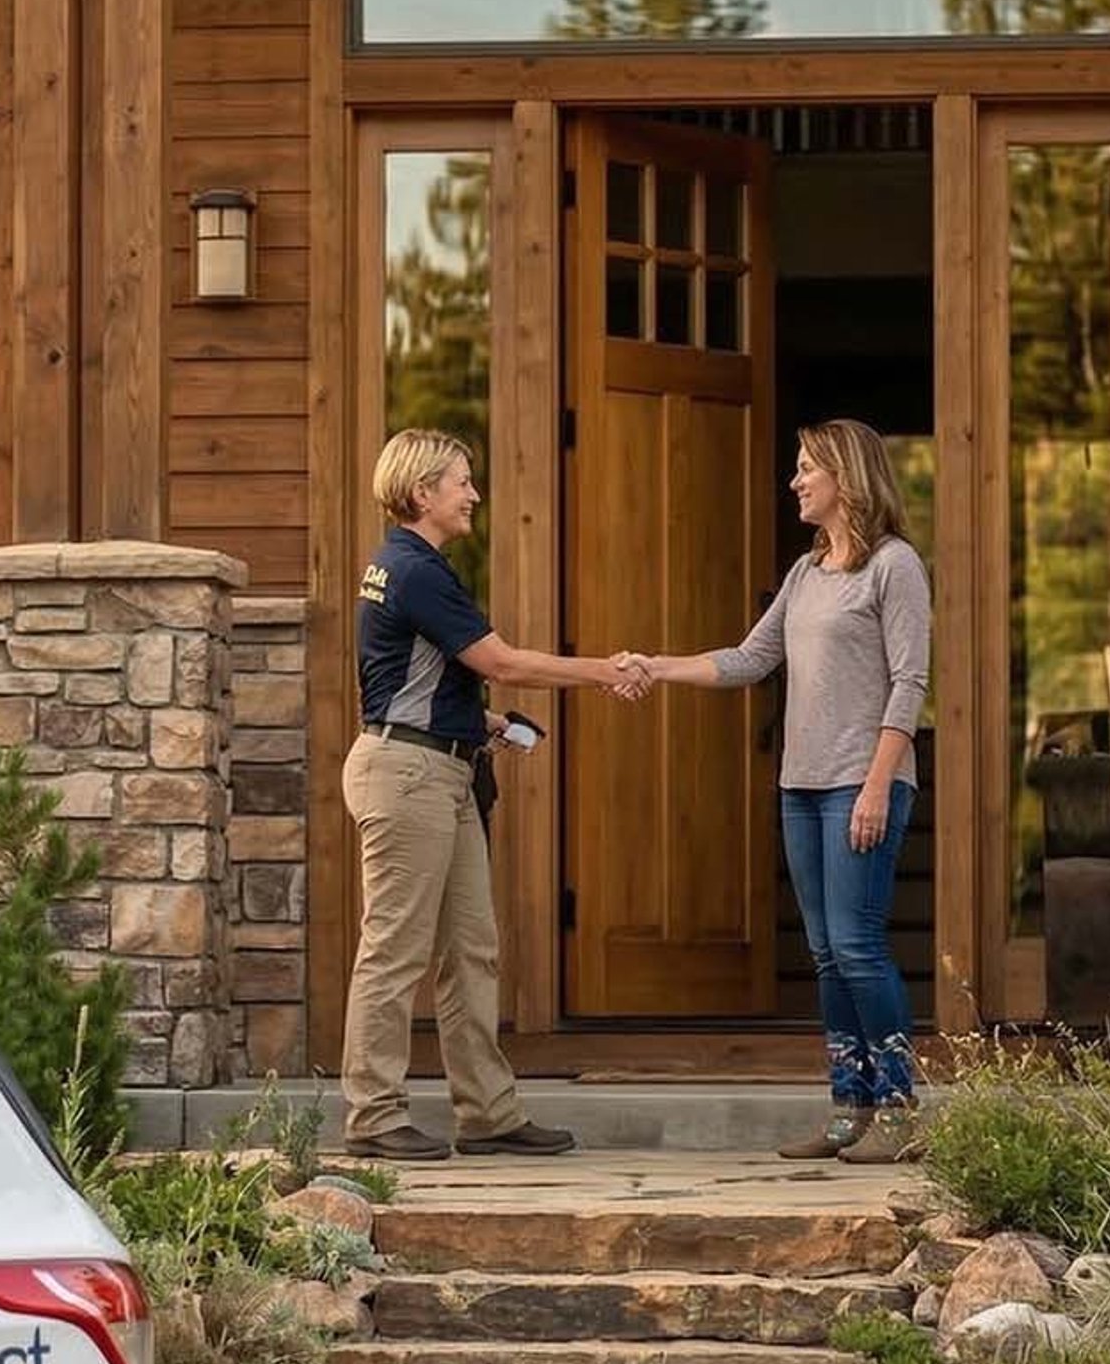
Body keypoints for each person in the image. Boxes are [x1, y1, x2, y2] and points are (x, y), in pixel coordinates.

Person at [626, 419, 932, 1166]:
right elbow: (747, 658)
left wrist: (875, 783)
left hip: (863, 785)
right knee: (827, 953)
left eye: (805, 469)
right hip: (801, 786)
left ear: (845, 477)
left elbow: (910, 684)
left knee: (858, 945)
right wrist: (653, 666)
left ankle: (900, 1111)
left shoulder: (895, 566)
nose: (794, 481)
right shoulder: (806, 574)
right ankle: (847, 1108)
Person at [342, 427, 648, 1161]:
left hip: (434, 767)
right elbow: (499, 658)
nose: (474, 493)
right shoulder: (414, 570)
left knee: (471, 948)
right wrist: (606, 670)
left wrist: (482, 722)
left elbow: (404, 680)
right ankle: (374, 1116)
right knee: (394, 950)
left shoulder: (409, 567)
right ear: (423, 493)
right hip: (410, 777)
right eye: (462, 481)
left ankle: (487, 1111)